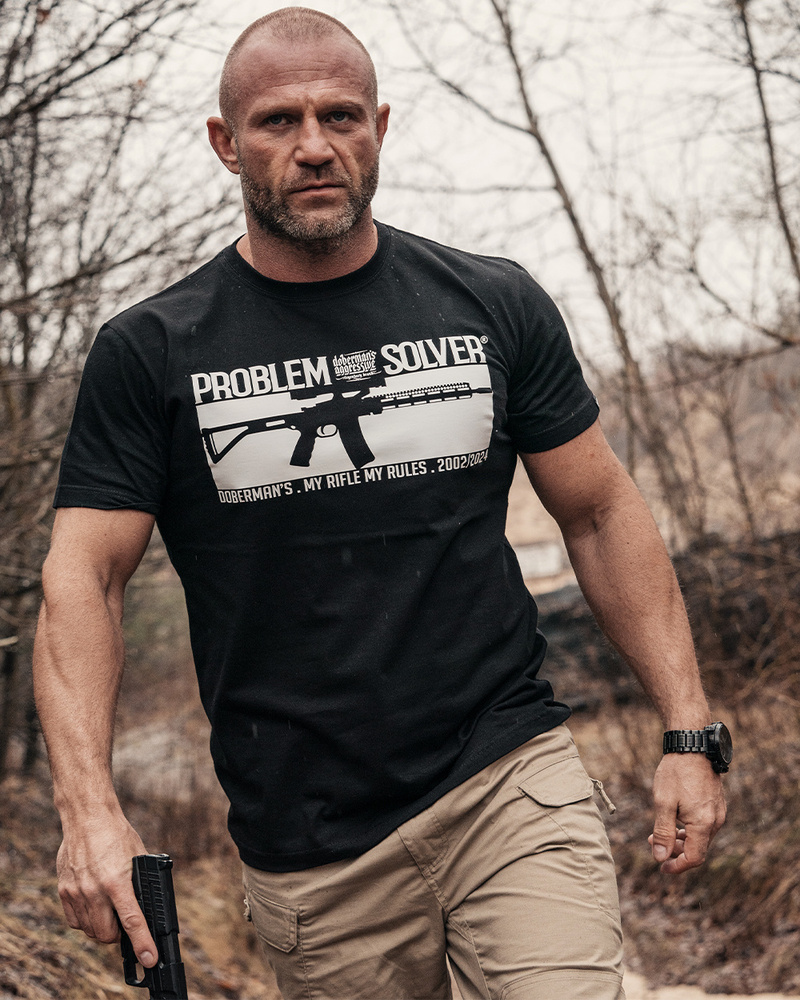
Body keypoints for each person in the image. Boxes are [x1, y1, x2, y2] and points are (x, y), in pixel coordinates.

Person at [33, 8, 728, 1000]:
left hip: (506, 778)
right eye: (278, 121)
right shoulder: (152, 352)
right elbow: (85, 581)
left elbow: (598, 513)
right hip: (310, 845)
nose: (314, 145)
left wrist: (688, 730)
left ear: (380, 127)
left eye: (340, 116)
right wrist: (88, 809)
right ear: (225, 143)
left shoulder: (491, 303)